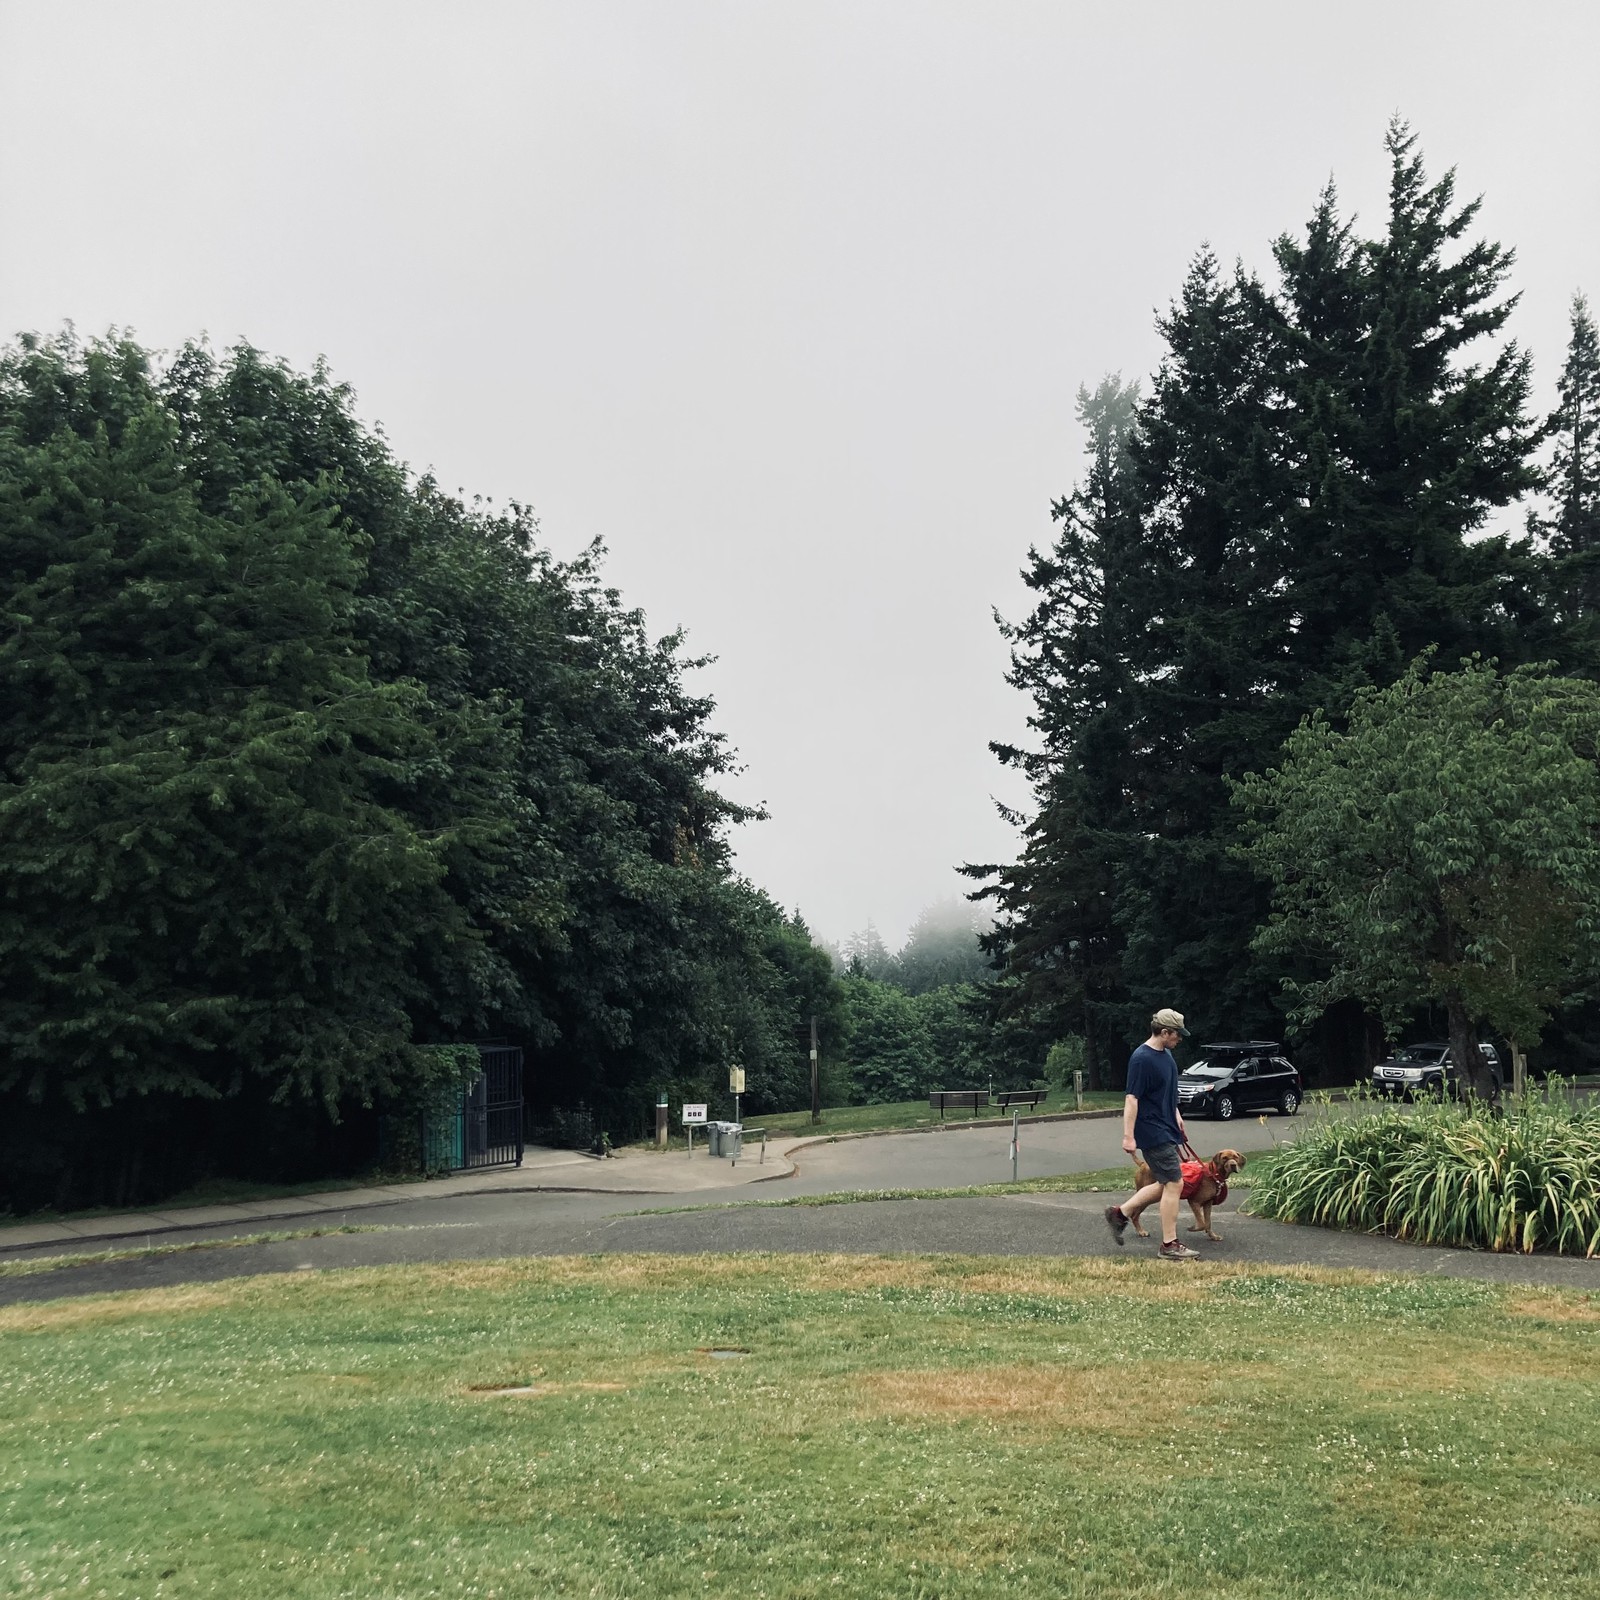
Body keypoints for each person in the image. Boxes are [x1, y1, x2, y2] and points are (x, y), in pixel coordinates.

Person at [1104, 1008, 1199, 1260]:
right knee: (1175, 1183)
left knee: (1166, 1182)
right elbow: (1132, 1099)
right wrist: (1128, 1136)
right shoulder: (1141, 1059)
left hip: (1167, 1126)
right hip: (1151, 1130)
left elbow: (1166, 1093)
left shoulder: (1166, 1056)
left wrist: (1177, 1115)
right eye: (1176, 1034)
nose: (1179, 1039)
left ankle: (1119, 1214)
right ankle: (1169, 1244)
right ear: (1164, 1032)